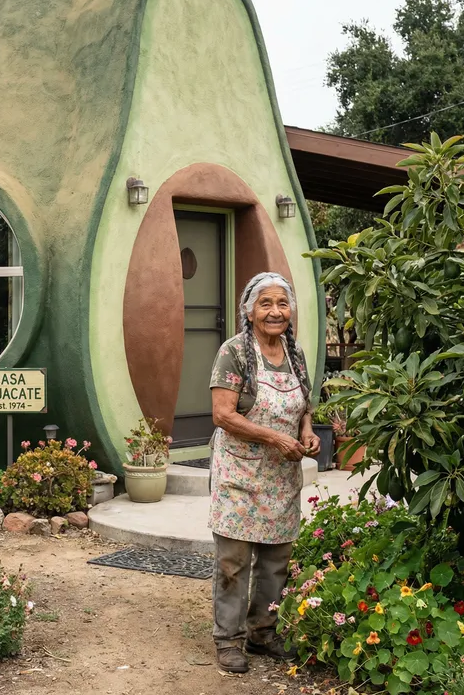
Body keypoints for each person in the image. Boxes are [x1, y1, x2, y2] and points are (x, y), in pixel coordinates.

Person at [208, 271, 319, 674]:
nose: (275, 312)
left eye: (282, 304)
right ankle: (228, 639)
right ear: (249, 311)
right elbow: (222, 414)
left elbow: (304, 405)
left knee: (276, 560)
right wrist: (275, 439)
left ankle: (261, 633)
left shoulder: (296, 353)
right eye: (265, 304)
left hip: (281, 475)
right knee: (233, 561)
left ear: (291, 311)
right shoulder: (234, 352)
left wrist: (306, 432)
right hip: (240, 472)